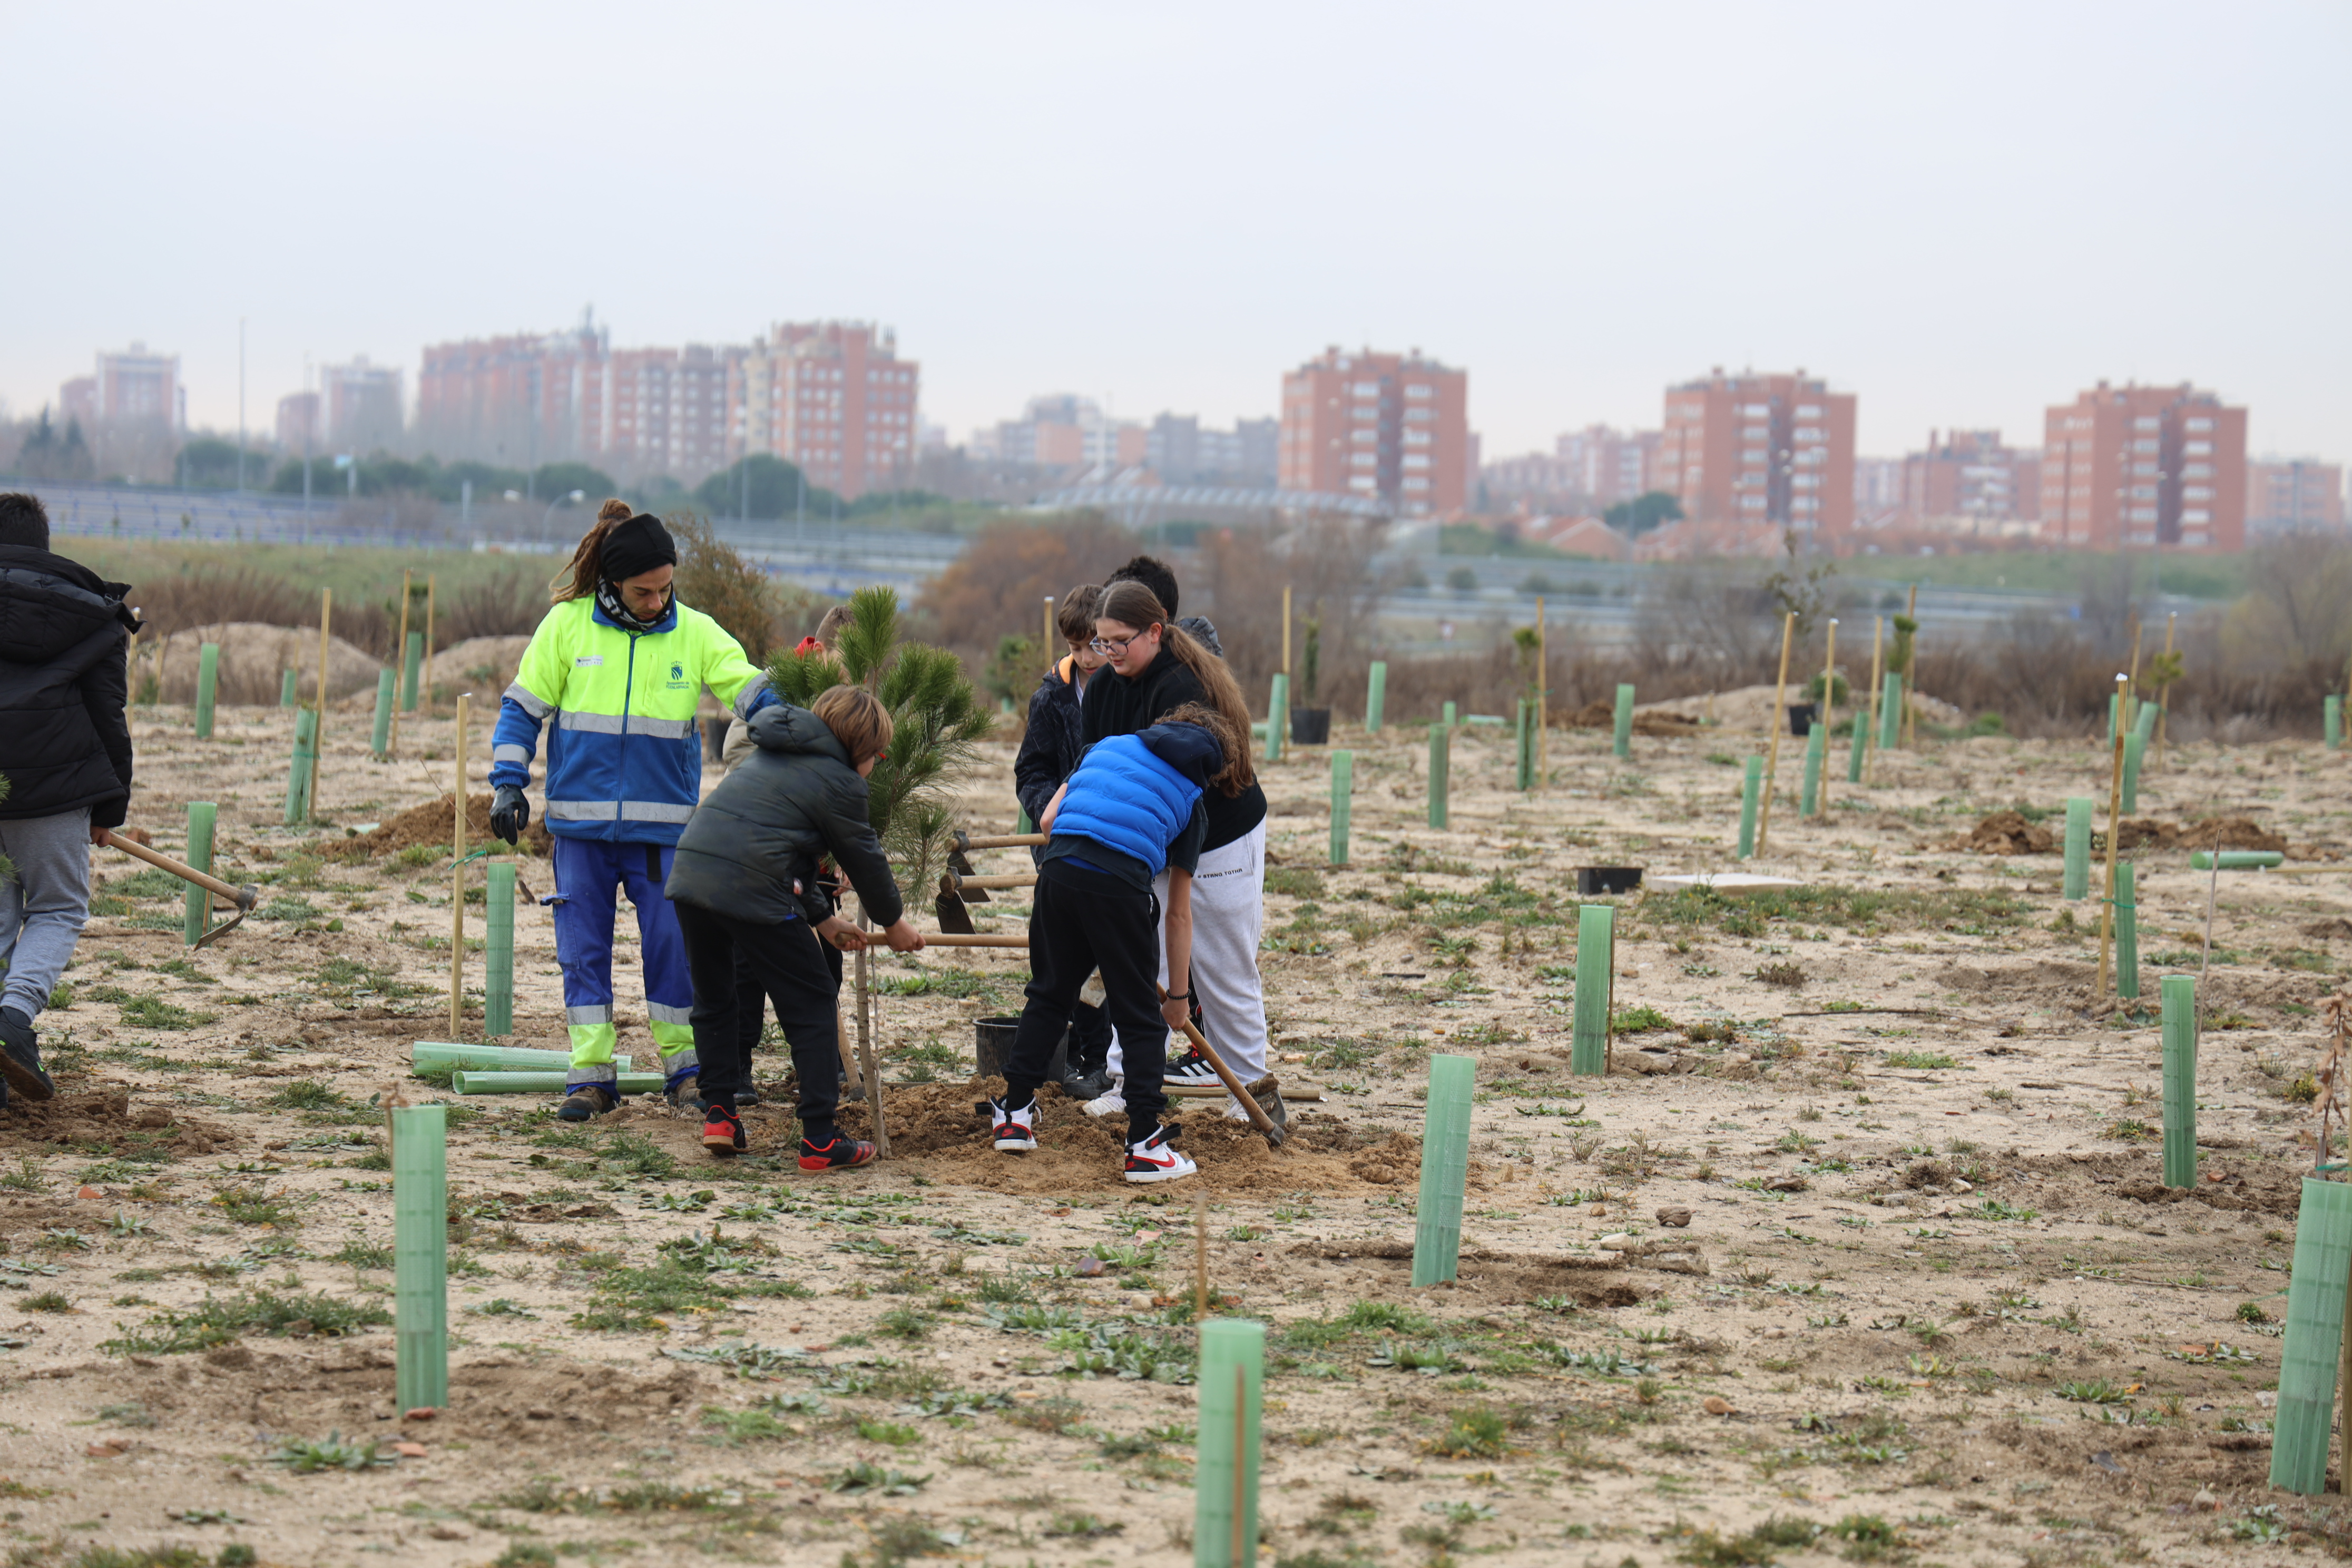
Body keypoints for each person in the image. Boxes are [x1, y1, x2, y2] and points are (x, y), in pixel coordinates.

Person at [487, 501, 779, 1122]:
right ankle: (591, 1078)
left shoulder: (695, 631)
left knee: (673, 952)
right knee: (583, 954)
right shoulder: (566, 627)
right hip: (580, 834)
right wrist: (507, 783)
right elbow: (522, 710)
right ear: (612, 585)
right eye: (644, 592)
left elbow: (746, 684)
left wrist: (782, 713)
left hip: (664, 834)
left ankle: (687, 1072)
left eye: (666, 589)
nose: (658, 602)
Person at [667, 684, 925, 1167]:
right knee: (811, 1000)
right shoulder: (841, 781)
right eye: (879, 756)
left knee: (715, 997)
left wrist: (823, 920)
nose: (876, 765)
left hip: (693, 876)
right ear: (862, 749)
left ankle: (720, 1115)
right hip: (749, 886)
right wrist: (894, 924)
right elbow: (863, 858)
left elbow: (790, 853)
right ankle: (821, 1139)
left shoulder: (773, 756)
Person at [988, 702, 1244, 1184]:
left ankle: (1014, 1115)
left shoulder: (1105, 748)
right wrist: (1179, 999)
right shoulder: (1191, 799)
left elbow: (1047, 821)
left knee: (1049, 995)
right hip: (1119, 888)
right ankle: (1146, 1144)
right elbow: (1179, 913)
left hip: (1059, 873)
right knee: (1139, 1018)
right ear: (1211, 765)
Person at [1076, 579, 1272, 1119]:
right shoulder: (1103, 691)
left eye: (1120, 641)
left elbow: (1178, 783)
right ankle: (1127, 1083)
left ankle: (1249, 1088)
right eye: (1101, 642)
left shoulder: (1184, 686)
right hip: (1146, 838)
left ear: (1155, 633)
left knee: (1222, 963)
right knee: (1138, 963)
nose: (1108, 653)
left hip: (1216, 835)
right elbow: (1092, 764)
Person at [0, 493, 136, 1107]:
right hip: (51, 788)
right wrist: (108, 810)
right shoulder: (94, 616)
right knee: (57, 908)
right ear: (45, 546)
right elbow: (109, 717)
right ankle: (12, 1020)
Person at [717, 600, 857, 1106]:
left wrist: (843, 854)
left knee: (826, 960)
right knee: (748, 965)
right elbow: (736, 753)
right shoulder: (772, 687)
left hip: (818, 857)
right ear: (815, 653)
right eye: (839, 671)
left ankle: (826, 1067)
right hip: (761, 851)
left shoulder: (862, 701)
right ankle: (737, 1068)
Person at [1011, 584, 1113, 1098]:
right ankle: (1066, 1054)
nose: (1085, 658)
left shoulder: (1123, 689)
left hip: (1111, 839)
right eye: (1075, 649)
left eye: (1093, 646)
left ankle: (1099, 1058)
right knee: (1059, 955)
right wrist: (1052, 806)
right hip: (1058, 842)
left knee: (1104, 953)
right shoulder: (1051, 697)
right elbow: (1030, 770)